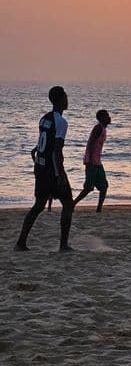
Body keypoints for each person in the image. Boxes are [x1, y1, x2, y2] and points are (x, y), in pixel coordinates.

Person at [15, 86, 74, 252]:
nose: (67, 100)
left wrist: (37, 161)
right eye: (65, 97)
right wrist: (60, 174)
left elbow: (37, 147)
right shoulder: (61, 122)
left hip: (40, 167)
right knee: (68, 204)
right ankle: (63, 245)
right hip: (50, 170)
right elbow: (56, 151)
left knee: (38, 206)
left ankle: (20, 243)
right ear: (61, 100)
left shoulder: (44, 119)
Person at [74, 109, 111, 212]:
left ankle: (99, 209)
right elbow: (90, 143)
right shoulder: (98, 128)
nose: (109, 118)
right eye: (107, 116)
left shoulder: (102, 128)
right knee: (88, 188)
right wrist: (88, 160)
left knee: (104, 187)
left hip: (97, 162)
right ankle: (72, 204)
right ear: (102, 118)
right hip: (92, 162)